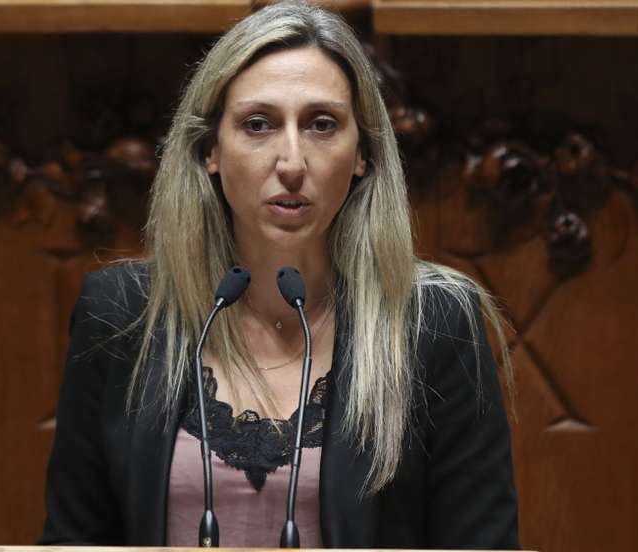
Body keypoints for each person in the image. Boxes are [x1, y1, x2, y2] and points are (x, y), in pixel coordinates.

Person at [40, 0, 519, 548]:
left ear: (362, 154)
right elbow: (72, 540)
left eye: (321, 124)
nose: (291, 163)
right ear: (211, 150)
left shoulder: (434, 324)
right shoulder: (121, 314)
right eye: (258, 124)